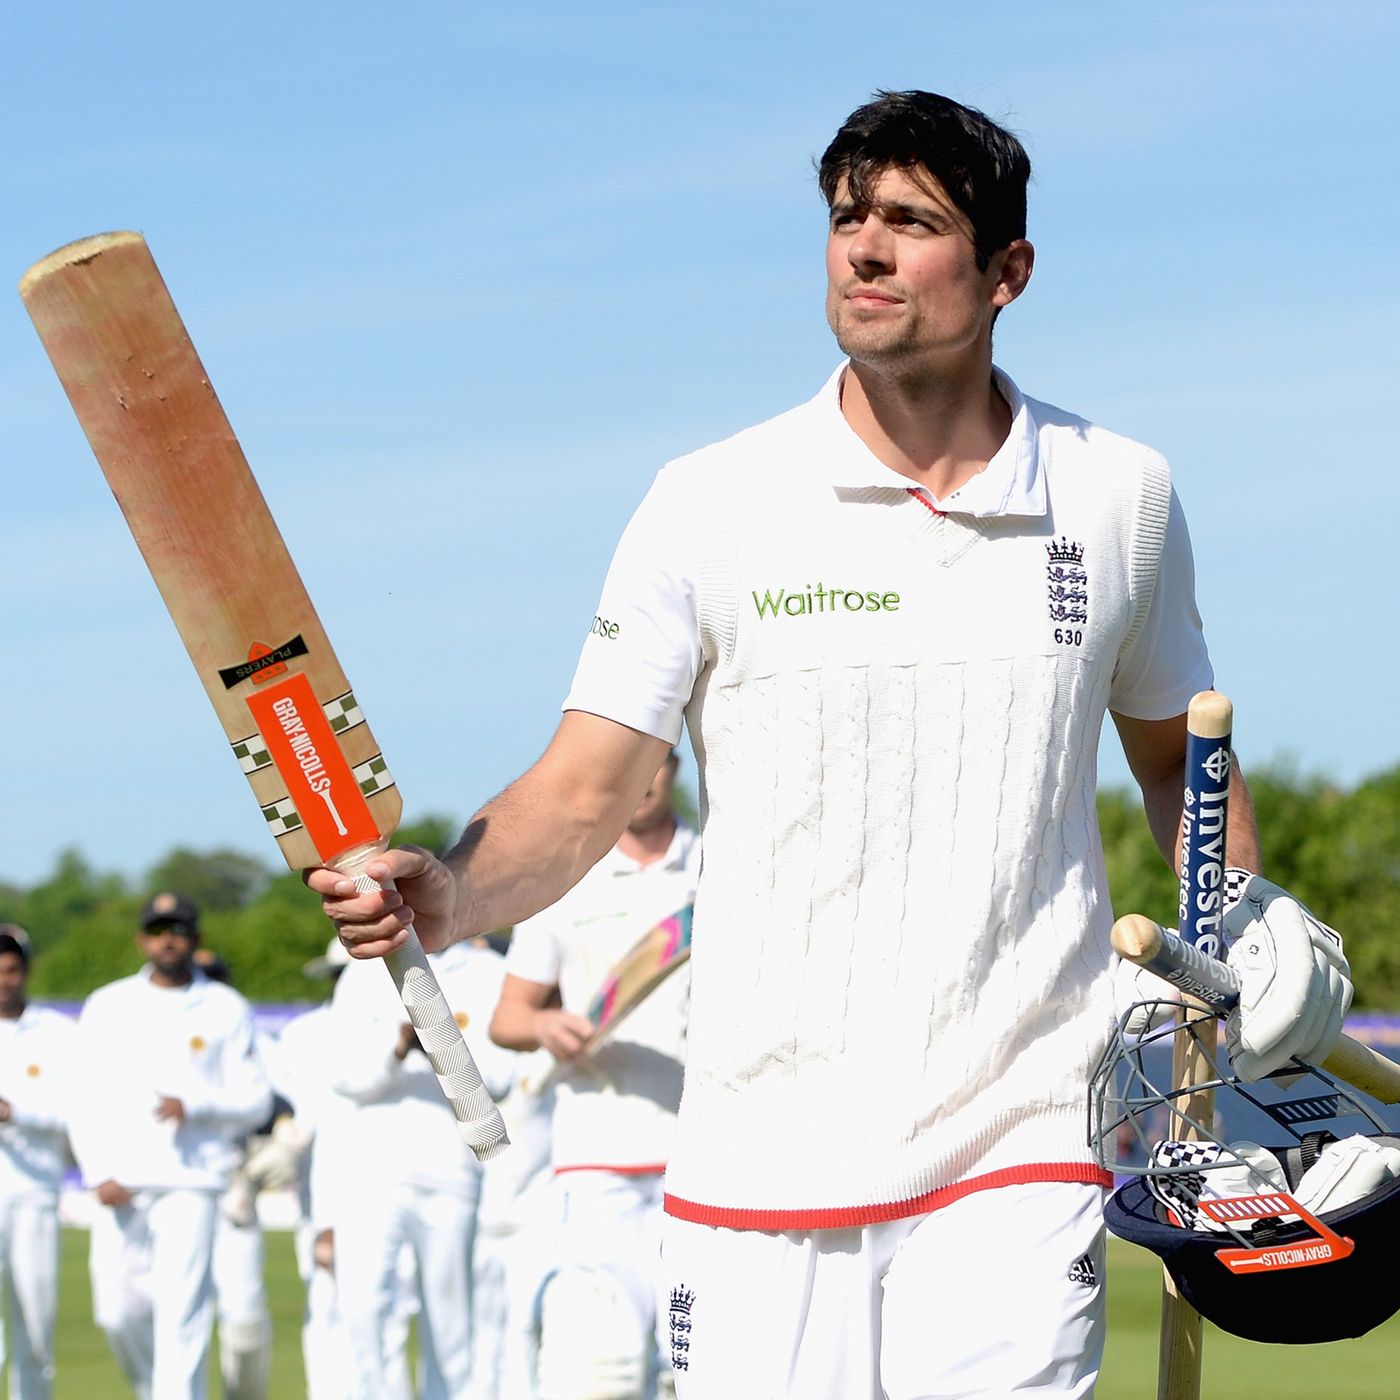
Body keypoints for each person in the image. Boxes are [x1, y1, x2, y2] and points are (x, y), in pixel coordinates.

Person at [312, 90, 1354, 1398]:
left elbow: (1176, 760)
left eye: (912, 222)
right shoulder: (710, 501)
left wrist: (1238, 921)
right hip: (758, 1148)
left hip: (1020, 1135)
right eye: (848, 216)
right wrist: (453, 892)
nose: (863, 249)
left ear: (1006, 273)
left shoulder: (1117, 493)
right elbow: (588, 790)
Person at [489, 754, 696, 1400]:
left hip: (705, 1151)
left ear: (677, 766)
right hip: (596, 1155)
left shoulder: (720, 863)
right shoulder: (569, 881)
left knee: (699, 1368)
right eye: (630, 766)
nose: (644, 780)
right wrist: (549, 1028)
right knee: (598, 1367)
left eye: (657, 763)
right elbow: (508, 1018)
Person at [68, 892, 272, 1400]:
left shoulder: (225, 1007)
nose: (168, 939)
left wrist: (197, 1104)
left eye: (178, 929)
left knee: (183, 1318)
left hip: (193, 1180)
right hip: (122, 1181)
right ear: (142, 938)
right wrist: (97, 1172)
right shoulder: (108, 1004)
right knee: (116, 1312)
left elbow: (255, 1100)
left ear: (196, 940)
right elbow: (82, 1098)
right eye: (158, 929)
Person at [324, 930, 515, 1398]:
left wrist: (437, 1042)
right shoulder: (360, 972)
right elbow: (343, 1075)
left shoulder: (486, 972)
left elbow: (502, 1077)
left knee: (450, 1322)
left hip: (451, 1169)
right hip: (370, 1171)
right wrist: (395, 1046)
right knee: (364, 1308)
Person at [0, 923, 76, 1400]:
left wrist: (16, 1113)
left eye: (10, 970)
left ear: (25, 971)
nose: (3, 980)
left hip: (35, 1194)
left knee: (35, 1331)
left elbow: (77, 1113)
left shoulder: (56, 1032)